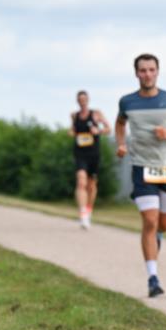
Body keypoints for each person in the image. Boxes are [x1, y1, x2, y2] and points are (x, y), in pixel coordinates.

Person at [115, 54, 166, 297]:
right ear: (136, 73)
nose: (147, 74)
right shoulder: (127, 102)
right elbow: (119, 124)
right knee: (149, 221)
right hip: (141, 167)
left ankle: (158, 236)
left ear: (157, 72)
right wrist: (121, 144)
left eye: (151, 70)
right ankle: (153, 278)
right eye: (142, 70)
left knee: (164, 224)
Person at [69, 91, 111, 229]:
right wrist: (71, 132)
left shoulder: (96, 114)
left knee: (91, 185)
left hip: (94, 153)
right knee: (81, 181)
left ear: (88, 100)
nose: (82, 101)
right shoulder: (74, 116)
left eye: (84, 99)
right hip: (80, 153)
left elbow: (108, 129)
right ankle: (83, 214)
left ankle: (88, 209)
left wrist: (98, 131)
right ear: (77, 101)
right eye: (80, 99)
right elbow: (72, 130)